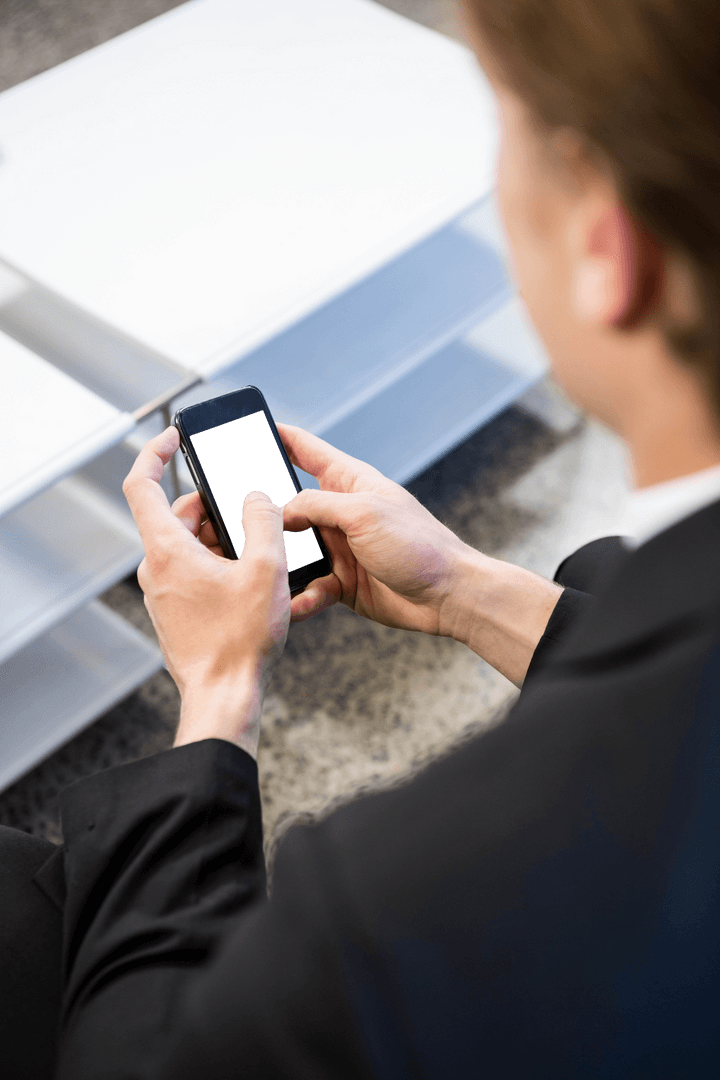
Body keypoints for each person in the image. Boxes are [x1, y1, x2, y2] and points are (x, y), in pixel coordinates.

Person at [2, 0, 720, 1075]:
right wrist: (463, 589)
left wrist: (216, 695)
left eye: (510, 133)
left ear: (603, 244)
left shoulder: (422, 892)